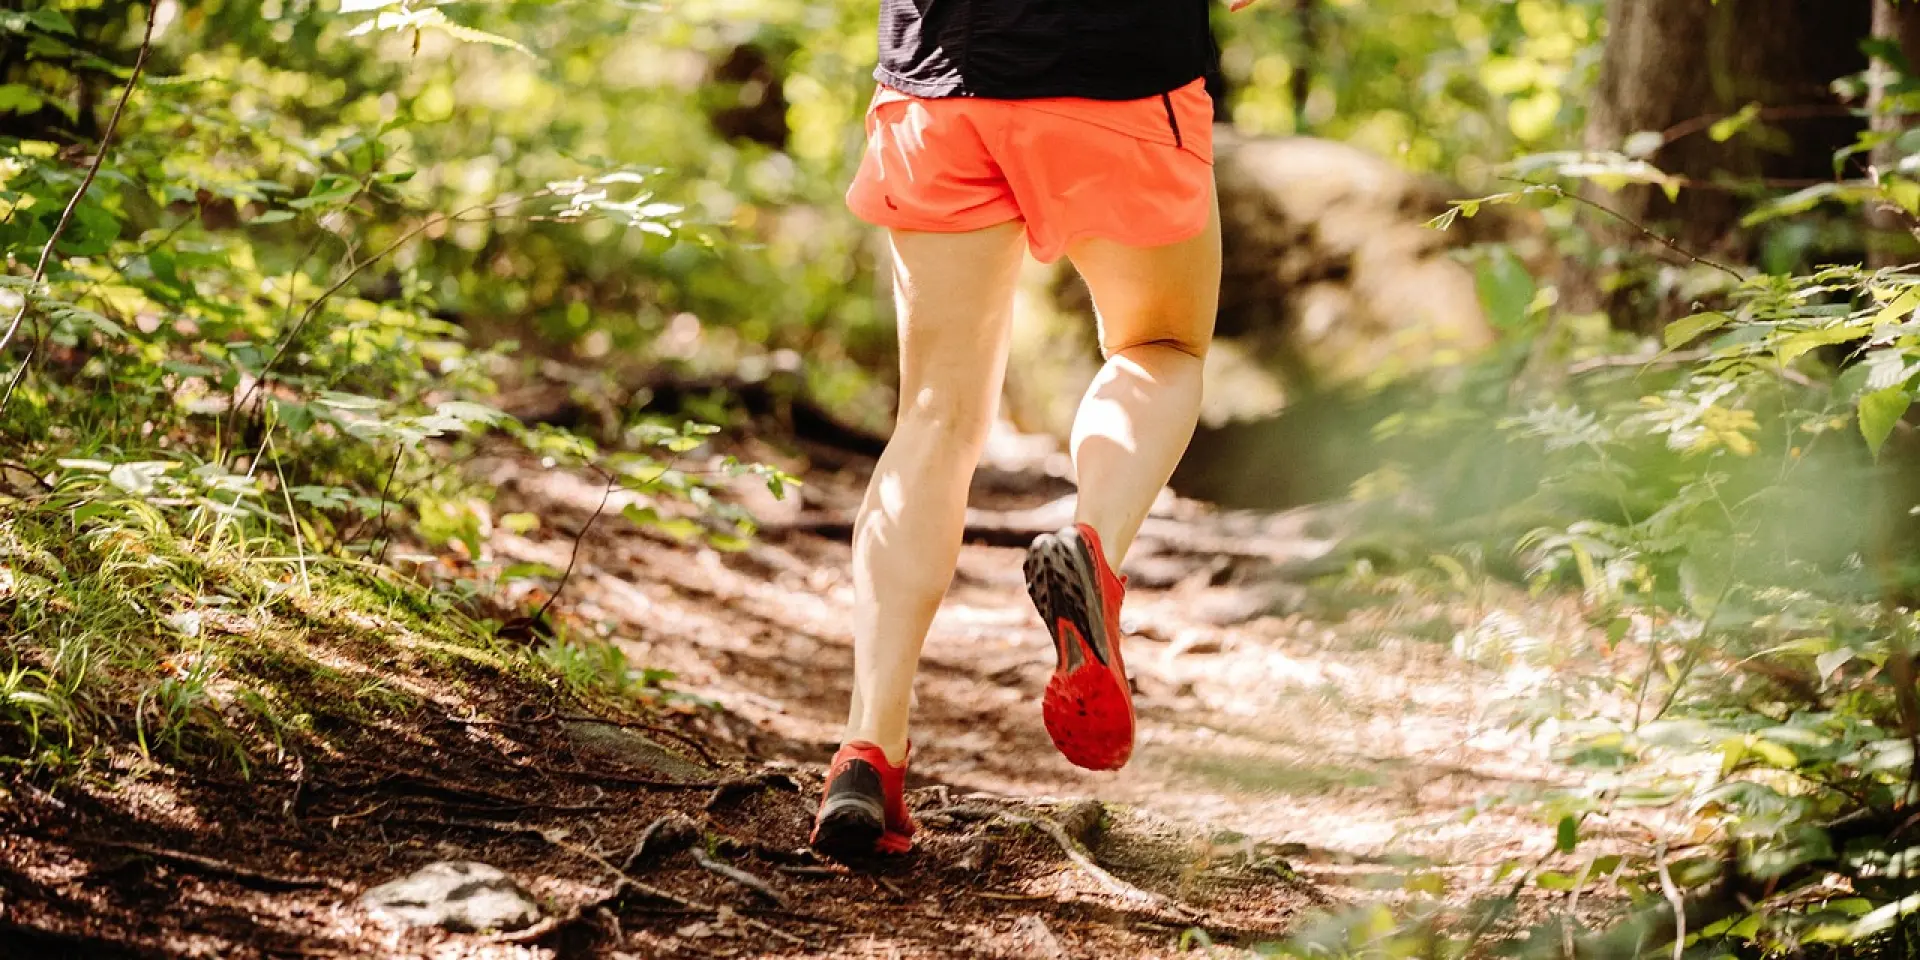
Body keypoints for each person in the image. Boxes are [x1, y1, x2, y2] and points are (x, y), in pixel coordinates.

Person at [811, 0, 1260, 860]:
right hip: (1125, 73)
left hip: (938, 80)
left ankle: (868, 751)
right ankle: (1094, 548)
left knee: (935, 416)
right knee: (1158, 344)